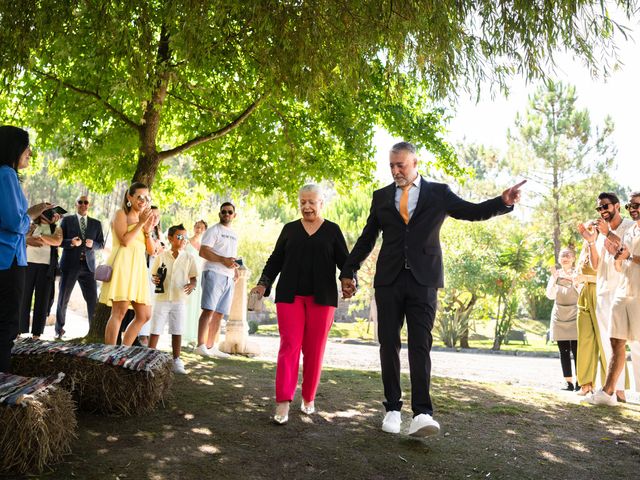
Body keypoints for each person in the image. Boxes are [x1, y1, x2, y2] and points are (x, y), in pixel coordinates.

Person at [340, 141, 524, 437]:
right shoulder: (381, 196)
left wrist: (502, 202)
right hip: (388, 280)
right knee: (388, 344)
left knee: (420, 345)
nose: (395, 171)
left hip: (423, 280)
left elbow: (471, 211)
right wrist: (349, 269)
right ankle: (392, 409)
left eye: (401, 165)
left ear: (415, 163)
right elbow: (367, 238)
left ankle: (422, 414)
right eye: (391, 166)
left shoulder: (439, 193)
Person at [250, 184, 349, 424]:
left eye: (311, 202)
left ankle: (308, 397)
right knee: (290, 346)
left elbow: (345, 263)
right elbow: (275, 260)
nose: (306, 206)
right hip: (290, 295)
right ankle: (283, 402)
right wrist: (263, 284)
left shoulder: (333, 230)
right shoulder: (290, 229)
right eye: (302, 202)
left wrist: (348, 281)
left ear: (321, 203)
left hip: (322, 298)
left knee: (314, 350)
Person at [0, 125, 52, 372]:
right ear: (14, 148)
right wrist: (29, 218)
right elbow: (13, 222)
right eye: (27, 146)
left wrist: (31, 216)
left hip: (8, 256)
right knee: (8, 325)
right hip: (7, 260)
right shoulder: (6, 175)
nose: (30, 152)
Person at [578, 192, 632, 401]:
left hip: (624, 292)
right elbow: (595, 265)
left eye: (605, 207)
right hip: (603, 293)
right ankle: (612, 393)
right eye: (599, 208)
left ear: (617, 206)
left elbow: (627, 251)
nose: (602, 211)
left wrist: (608, 233)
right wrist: (592, 241)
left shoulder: (629, 226)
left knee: (629, 343)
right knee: (607, 342)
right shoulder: (600, 232)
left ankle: (621, 392)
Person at [588, 192, 640, 405]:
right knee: (616, 341)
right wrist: (618, 257)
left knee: (637, 345)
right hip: (622, 291)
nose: (633, 208)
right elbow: (621, 261)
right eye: (631, 205)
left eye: (636, 204)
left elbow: (631, 257)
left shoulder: (625, 227)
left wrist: (626, 255)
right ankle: (608, 393)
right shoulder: (632, 231)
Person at [99, 182, 156, 345]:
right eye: (139, 197)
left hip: (138, 268)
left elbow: (151, 250)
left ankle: (124, 350)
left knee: (145, 315)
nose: (143, 200)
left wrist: (148, 230)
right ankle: (110, 353)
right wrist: (140, 224)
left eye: (147, 197)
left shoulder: (145, 220)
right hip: (124, 265)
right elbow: (124, 241)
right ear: (130, 197)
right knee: (119, 312)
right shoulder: (121, 214)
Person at [148, 224, 198, 374]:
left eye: (185, 236)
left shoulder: (189, 258)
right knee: (156, 328)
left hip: (179, 299)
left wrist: (192, 285)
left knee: (177, 329)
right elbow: (154, 275)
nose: (183, 239)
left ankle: (176, 360)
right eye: (179, 236)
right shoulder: (161, 256)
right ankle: (149, 357)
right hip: (162, 298)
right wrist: (155, 279)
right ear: (170, 238)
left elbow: (194, 278)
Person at [55, 195, 105, 339]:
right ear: (76, 204)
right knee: (63, 299)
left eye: (86, 202)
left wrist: (93, 245)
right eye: (80, 202)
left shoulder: (96, 224)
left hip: (88, 267)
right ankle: (59, 330)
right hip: (70, 265)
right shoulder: (67, 220)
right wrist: (71, 242)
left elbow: (101, 244)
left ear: (89, 205)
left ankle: (93, 331)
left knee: (93, 301)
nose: (83, 204)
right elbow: (58, 241)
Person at [196, 203, 239, 358]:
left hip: (228, 276)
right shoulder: (213, 230)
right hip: (213, 273)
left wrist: (235, 269)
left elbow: (230, 255)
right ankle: (200, 345)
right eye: (224, 212)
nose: (226, 214)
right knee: (209, 309)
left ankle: (210, 345)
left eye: (230, 212)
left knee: (220, 313)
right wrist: (222, 260)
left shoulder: (234, 234)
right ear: (219, 214)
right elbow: (203, 251)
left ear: (234, 215)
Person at [574, 236, 607, 396]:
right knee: (585, 340)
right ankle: (586, 384)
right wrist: (577, 282)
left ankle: (613, 387)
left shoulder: (604, 245)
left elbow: (608, 274)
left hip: (601, 294)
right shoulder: (583, 251)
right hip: (584, 294)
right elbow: (579, 275)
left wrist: (585, 278)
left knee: (605, 341)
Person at [20, 213, 62, 339]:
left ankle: (36, 334)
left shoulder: (57, 229)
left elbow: (57, 241)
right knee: (24, 298)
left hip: (46, 267)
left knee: (42, 300)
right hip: (28, 265)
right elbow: (24, 239)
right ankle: (19, 330)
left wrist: (41, 237)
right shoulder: (31, 226)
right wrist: (45, 239)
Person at [545, 247, 579, 391]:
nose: (565, 257)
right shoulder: (555, 274)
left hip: (575, 314)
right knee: (563, 349)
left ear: (573, 258)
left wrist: (561, 280)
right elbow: (550, 295)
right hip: (559, 314)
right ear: (559, 259)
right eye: (562, 255)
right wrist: (554, 279)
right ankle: (568, 382)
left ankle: (580, 382)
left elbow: (579, 289)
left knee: (577, 349)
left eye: (568, 255)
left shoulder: (578, 273)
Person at [183, 219, 208, 347]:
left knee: (196, 306)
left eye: (202, 228)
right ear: (194, 228)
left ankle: (193, 336)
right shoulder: (187, 242)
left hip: (199, 277)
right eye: (197, 227)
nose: (199, 229)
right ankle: (182, 335)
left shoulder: (204, 245)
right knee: (186, 305)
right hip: (188, 276)